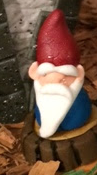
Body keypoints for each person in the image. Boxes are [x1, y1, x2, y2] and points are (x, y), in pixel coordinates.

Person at [28, 10, 91, 138]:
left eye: (64, 78)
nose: (55, 83)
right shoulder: (43, 98)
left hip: (76, 120)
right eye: (46, 75)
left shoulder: (76, 94)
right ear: (33, 72)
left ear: (79, 74)